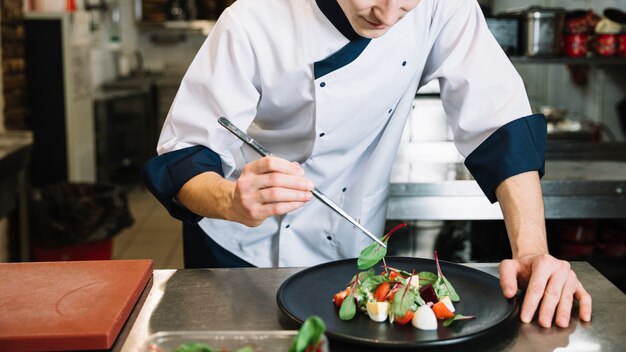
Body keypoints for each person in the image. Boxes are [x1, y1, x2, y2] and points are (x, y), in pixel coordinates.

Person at [143, 0, 592, 329]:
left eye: (407, 2)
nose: (387, 14)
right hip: (238, 246)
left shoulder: (442, 7)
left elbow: (501, 123)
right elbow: (186, 155)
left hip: (350, 241)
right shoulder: (253, 19)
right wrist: (232, 199)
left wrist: (532, 251)